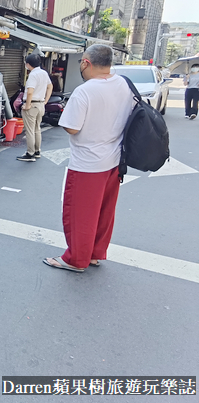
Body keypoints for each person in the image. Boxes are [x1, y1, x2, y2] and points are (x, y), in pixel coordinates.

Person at [43, 44, 135, 273]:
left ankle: (76, 259)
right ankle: (94, 254)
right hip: (115, 161)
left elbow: (72, 128)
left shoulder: (85, 91)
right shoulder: (124, 84)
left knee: (80, 214)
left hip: (88, 163)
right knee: (104, 212)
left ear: (86, 62)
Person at [17, 54, 53, 162]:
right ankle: (37, 151)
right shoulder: (43, 73)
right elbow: (50, 86)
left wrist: (27, 105)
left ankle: (30, 153)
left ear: (28, 64)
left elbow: (30, 92)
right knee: (37, 129)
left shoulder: (33, 75)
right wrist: (45, 100)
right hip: (40, 104)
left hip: (32, 105)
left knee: (30, 131)